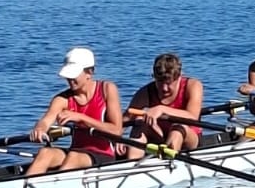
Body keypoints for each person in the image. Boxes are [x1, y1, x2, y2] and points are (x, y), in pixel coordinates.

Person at [25, 46, 125, 176]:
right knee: (45, 153)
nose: (70, 80)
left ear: (89, 72)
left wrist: (80, 118)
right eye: (68, 75)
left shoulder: (107, 89)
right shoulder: (62, 99)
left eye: (74, 75)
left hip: (103, 154)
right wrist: (40, 129)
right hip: (76, 152)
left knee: (74, 157)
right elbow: (46, 120)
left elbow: (116, 130)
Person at [125, 52, 204, 158]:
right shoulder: (146, 92)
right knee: (139, 125)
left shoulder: (193, 86)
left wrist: (161, 109)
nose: (164, 88)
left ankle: (169, 164)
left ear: (179, 77)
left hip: (188, 138)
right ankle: (132, 166)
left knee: (177, 128)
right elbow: (123, 121)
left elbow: (193, 116)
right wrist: (118, 140)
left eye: (169, 82)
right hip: (160, 136)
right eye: (160, 82)